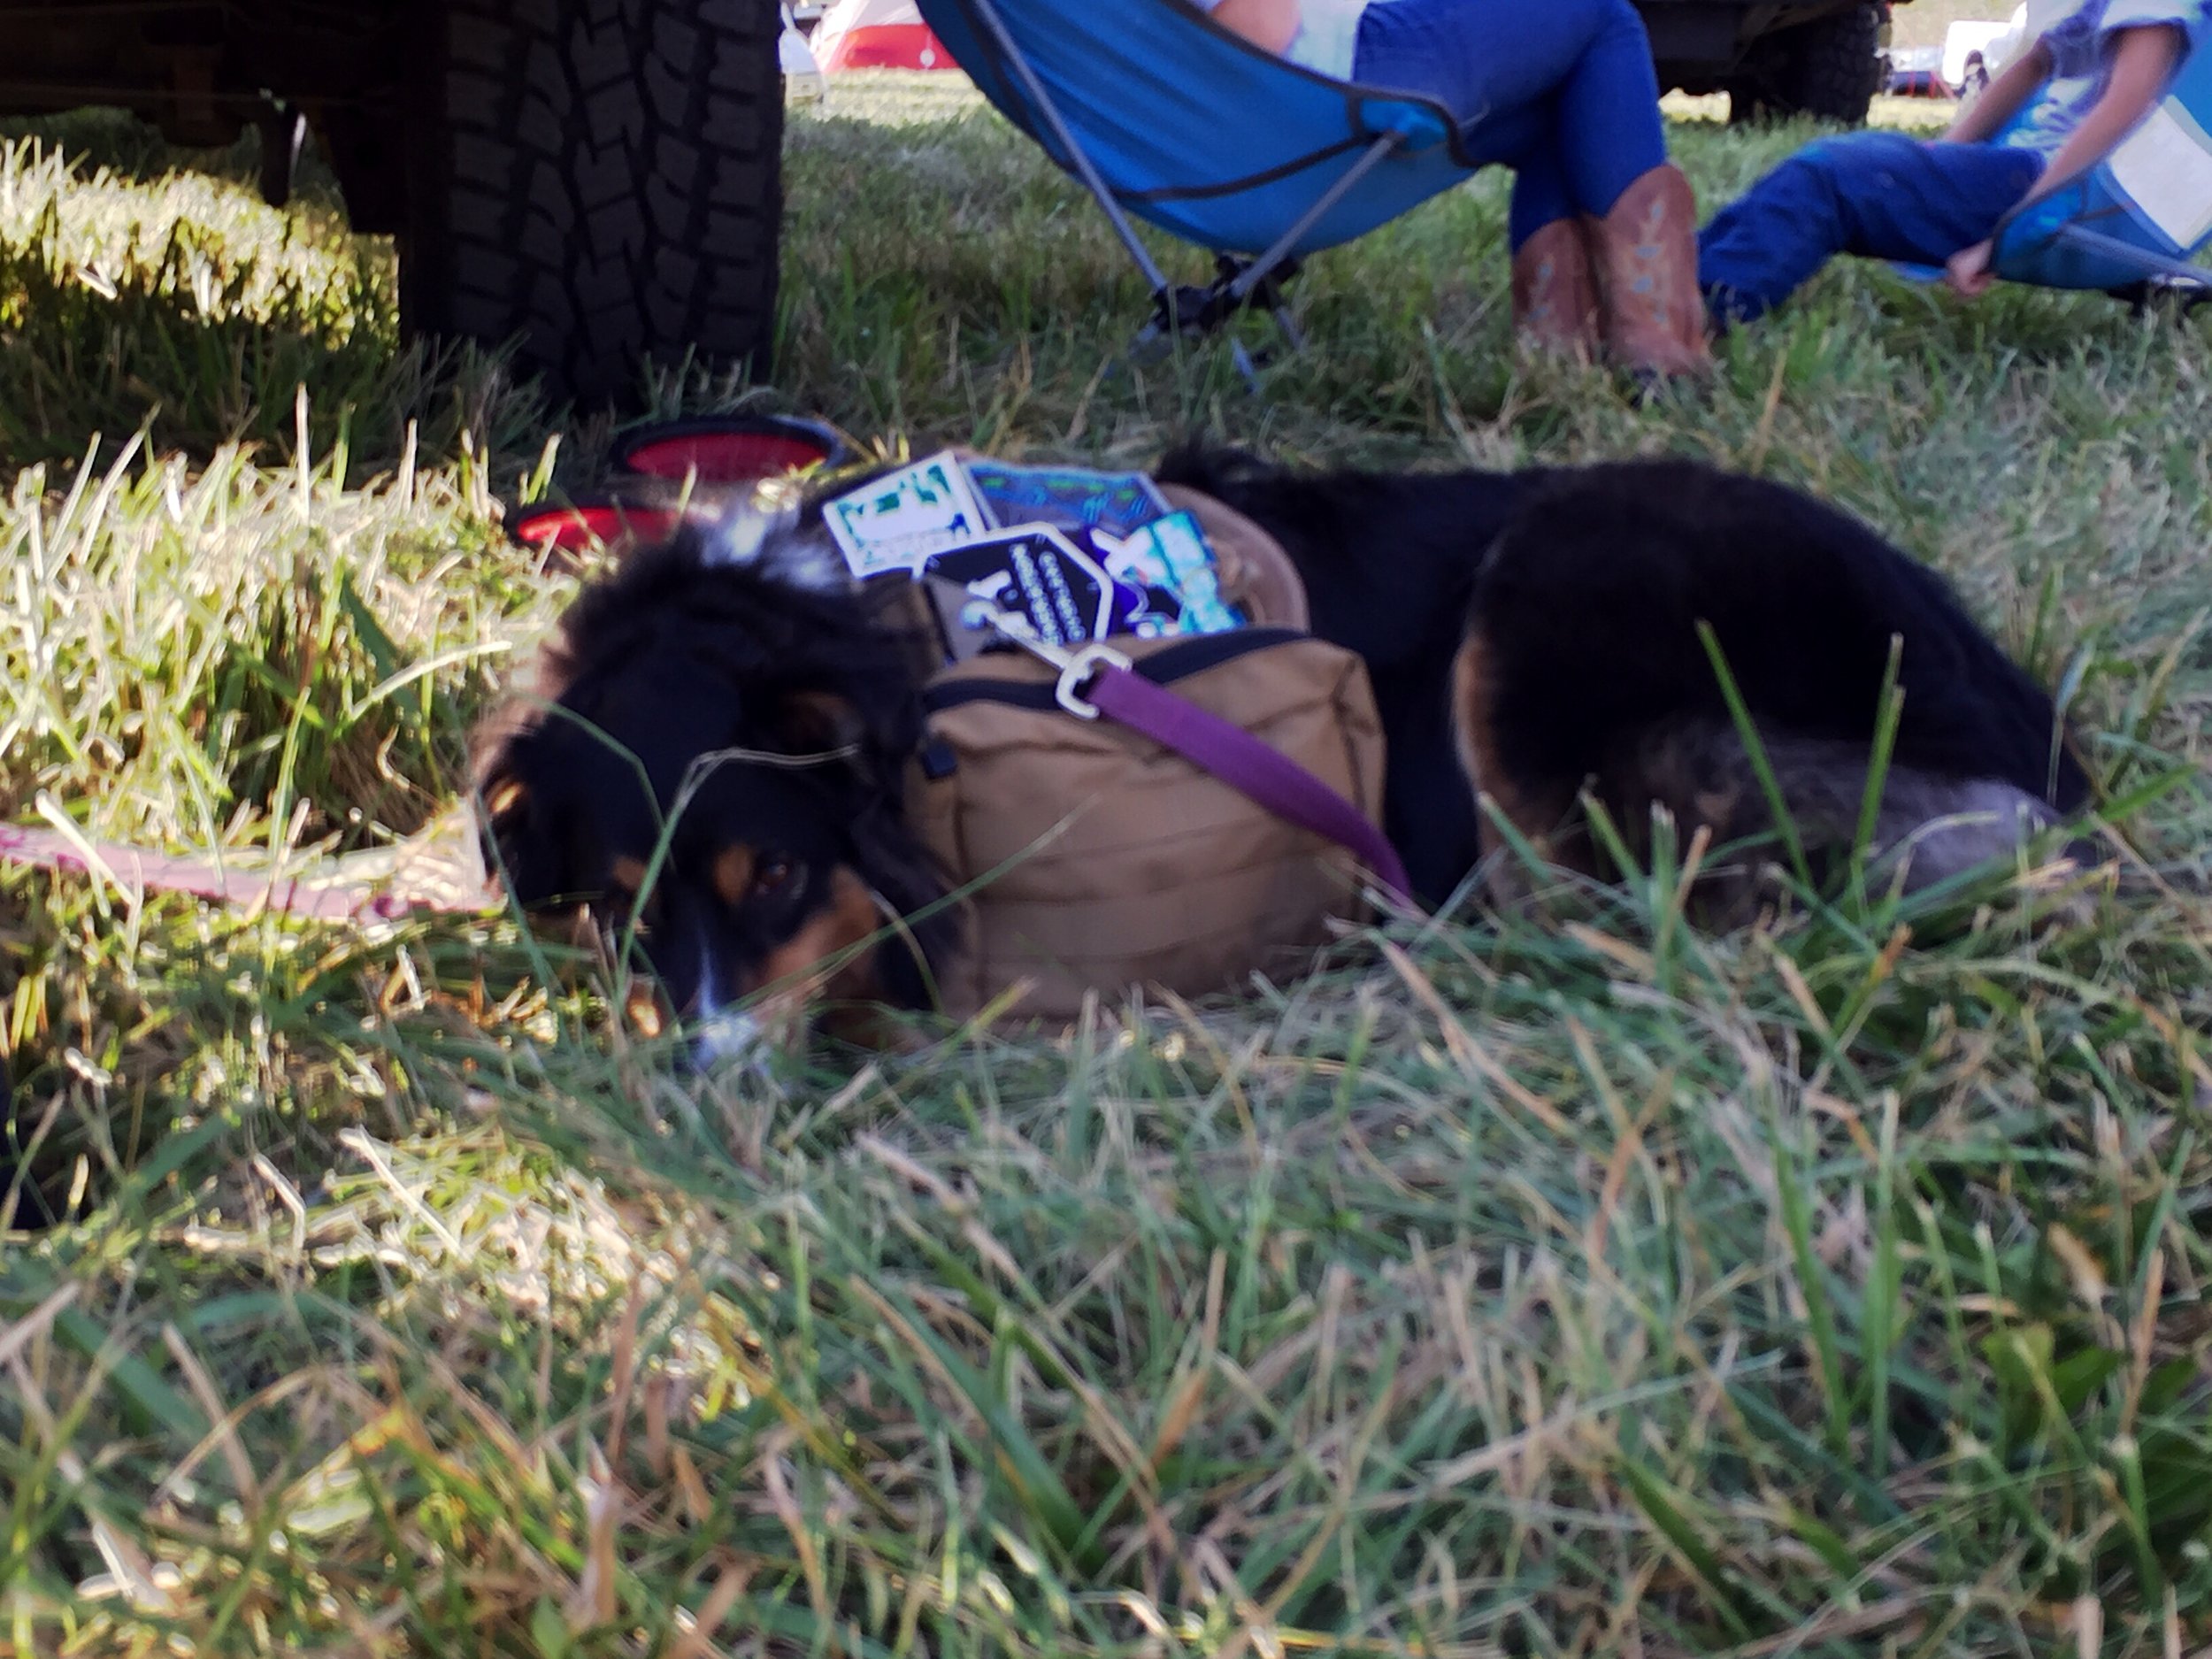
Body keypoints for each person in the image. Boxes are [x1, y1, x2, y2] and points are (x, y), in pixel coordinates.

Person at [1195, 0, 1711, 376]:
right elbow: (1259, 32)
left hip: (1259, 142)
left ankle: (1561, 360)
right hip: (1334, 83)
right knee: (1603, 17)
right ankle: (1659, 350)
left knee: (1564, 93)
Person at [1699, 0, 2204, 325]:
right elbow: (2031, 65)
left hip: (2057, 191)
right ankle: (1669, 273)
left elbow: (2129, 98)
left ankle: (1694, 309)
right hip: (2028, 170)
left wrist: (2016, 225)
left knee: (1831, 176)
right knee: (1863, 170)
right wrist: (1933, 161)